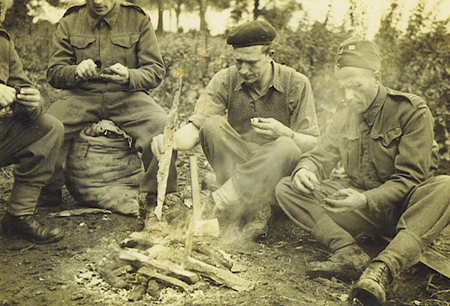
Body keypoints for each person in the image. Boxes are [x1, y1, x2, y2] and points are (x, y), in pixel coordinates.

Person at [275, 37, 450, 305]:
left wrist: (366, 199)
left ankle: (381, 270)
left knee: (445, 186)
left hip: (408, 211)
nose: (348, 96)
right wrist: (306, 169)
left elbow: (410, 178)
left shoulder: (411, 111)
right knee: (287, 187)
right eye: (342, 88)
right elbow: (320, 155)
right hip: (361, 210)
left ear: (376, 77)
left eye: (355, 87)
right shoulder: (345, 113)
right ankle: (347, 253)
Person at [171, 20, 320, 240]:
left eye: (251, 63)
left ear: (270, 54)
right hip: (237, 166)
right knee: (212, 125)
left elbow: (314, 143)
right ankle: (254, 210)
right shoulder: (226, 79)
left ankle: (221, 201)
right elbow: (197, 125)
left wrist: (286, 133)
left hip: (275, 174)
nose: (243, 70)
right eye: (238, 62)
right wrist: (169, 141)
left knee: (287, 146)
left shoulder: (296, 83)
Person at [41, 0, 176, 205]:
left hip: (127, 96)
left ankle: (158, 196)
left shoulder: (137, 19)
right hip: (81, 96)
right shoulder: (70, 21)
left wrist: (130, 76)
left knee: (161, 126)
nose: (98, 1)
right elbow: (54, 72)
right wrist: (75, 72)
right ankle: (46, 193)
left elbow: (156, 70)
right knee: (47, 125)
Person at [0, 0, 64, 244]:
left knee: (48, 127)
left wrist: (32, 102)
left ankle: (18, 215)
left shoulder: (3, 44)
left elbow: (22, 85)